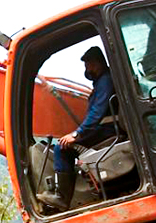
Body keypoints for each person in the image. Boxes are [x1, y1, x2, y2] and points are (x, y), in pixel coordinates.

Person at [36, 46, 117, 211]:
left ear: (97, 63)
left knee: (61, 147)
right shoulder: (102, 82)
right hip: (106, 127)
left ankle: (62, 197)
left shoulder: (105, 81)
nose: (87, 69)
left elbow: (96, 113)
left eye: (88, 65)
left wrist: (76, 134)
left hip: (108, 129)